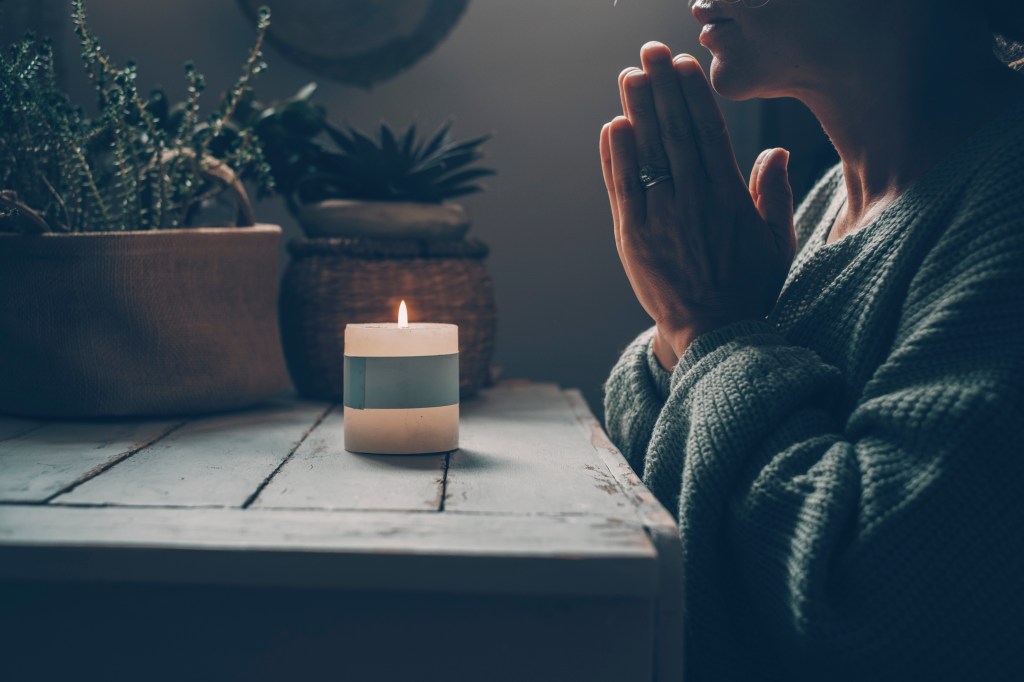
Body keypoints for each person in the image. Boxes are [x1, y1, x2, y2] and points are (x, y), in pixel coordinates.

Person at [600, 0, 1024, 680]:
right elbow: (638, 477)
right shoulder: (829, 201)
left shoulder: (1007, 200)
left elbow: (878, 595)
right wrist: (685, 329)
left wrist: (709, 327)